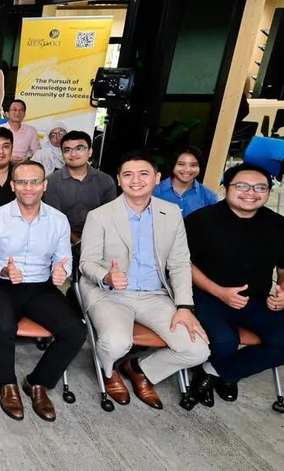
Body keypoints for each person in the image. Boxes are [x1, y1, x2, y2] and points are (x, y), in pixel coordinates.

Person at [78, 151, 210, 410]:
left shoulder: (171, 214)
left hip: (155, 294)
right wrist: (106, 276)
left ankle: (141, 369)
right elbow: (87, 263)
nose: (135, 180)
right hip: (110, 294)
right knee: (116, 343)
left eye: (143, 174)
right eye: (128, 174)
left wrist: (185, 307)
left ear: (157, 178)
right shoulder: (100, 215)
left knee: (197, 351)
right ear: (118, 180)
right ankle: (109, 371)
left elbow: (180, 263)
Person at [0, 161, 85, 421]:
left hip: (40, 285)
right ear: (13, 186)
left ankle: (38, 382)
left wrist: (61, 272)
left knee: (75, 331)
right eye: (22, 182)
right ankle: (7, 383)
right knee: (2, 327)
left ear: (44, 186)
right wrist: (2, 271)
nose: (28, 187)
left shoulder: (58, 221)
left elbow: (63, 259)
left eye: (35, 181)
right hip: (1, 283)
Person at [185, 163, 284, 407]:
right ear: (226, 188)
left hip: (258, 300)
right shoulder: (200, 221)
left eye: (260, 187)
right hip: (209, 295)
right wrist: (219, 292)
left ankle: (219, 372)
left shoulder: (281, 227)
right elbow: (184, 265)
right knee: (224, 340)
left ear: (269, 192)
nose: (251, 193)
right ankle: (221, 370)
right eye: (242, 186)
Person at [43, 130, 117, 246]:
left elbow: (110, 218)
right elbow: (54, 220)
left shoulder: (106, 181)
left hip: (99, 241)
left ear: (90, 151)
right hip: (61, 241)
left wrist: (91, 243)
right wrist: (77, 242)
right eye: (67, 150)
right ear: (62, 154)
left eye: (79, 148)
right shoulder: (51, 182)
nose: (73, 154)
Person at [153, 147, 219, 217]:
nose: (187, 169)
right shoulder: (154, 191)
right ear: (173, 165)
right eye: (181, 164)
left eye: (193, 165)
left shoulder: (209, 197)